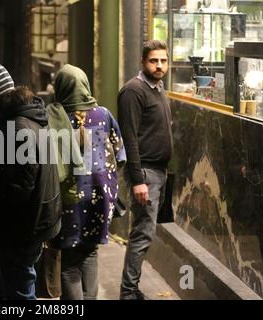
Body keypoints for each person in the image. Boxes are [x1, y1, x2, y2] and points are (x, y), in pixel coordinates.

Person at [0, 59, 61, 300]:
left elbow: (18, 189)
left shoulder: (15, 127)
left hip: (22, 228)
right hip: (28, 222)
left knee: (17, 294)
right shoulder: (28, 115)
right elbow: (25, 168)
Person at [48, 64, 126, 300]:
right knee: (90, 254)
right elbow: (120, 155)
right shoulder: (103, 115)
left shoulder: (53, 119)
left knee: (70, 262)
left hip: (68, 202)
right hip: (99, 201)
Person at [117, 40, 173, 300]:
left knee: (144, 232)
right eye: (154, 60)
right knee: (142, 233)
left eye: (163, 60)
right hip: (146, 174)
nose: (159, 65)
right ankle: (128, 292)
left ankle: (131, 288)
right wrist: (138, 180)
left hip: (159, 172)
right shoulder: (133, 91)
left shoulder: (159, 88)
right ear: (143, 62)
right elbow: (129, 138)